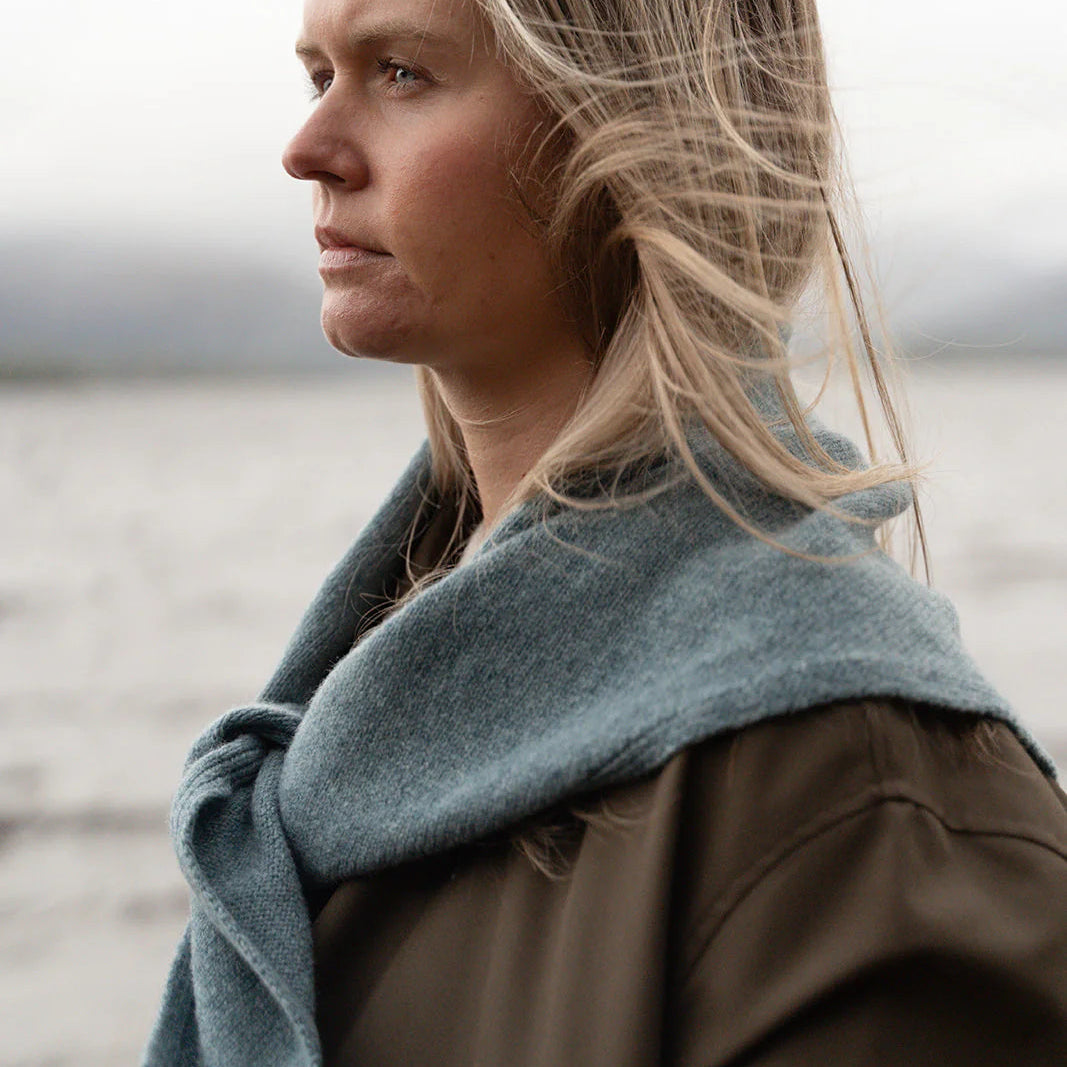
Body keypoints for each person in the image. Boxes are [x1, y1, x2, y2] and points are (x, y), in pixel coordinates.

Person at [143, 0, 1067, 1063]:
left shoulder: (858, 800)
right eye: (318, 77)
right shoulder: (355, 718)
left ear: (627, 118)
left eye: (398, 72)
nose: (308, 147)